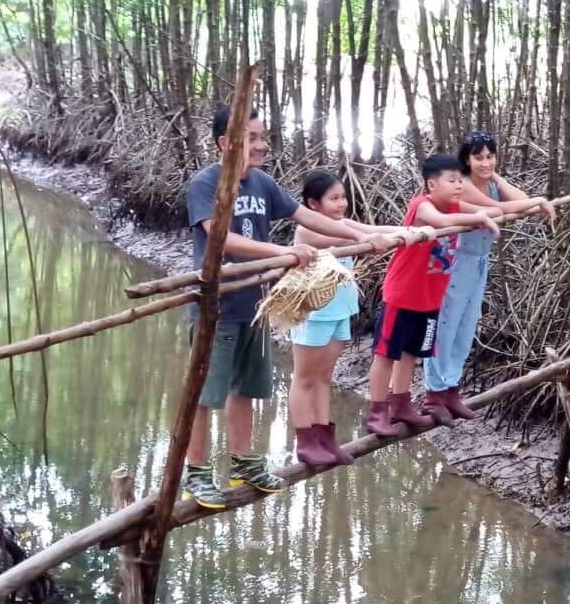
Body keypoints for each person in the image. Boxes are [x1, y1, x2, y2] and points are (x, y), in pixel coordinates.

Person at [182, 107, 395, 510]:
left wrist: (368, 234)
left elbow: (308, 217)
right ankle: (196, 472)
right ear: (225, 144)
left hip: (255, 306)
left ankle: (244, 462)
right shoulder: (205, 183)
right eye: (251, 137)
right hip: (217, 308)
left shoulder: (262, 183)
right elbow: (220, 237)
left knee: (245, 388)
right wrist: (284, 252)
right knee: (205, 394)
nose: (262, 145)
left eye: (264, 136)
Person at [286, 169, 414, 470]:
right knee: (304, 378)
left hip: (340, 310)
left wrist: (409, 230)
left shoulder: (342, 224)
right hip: (313, 312)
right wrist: (374, 236)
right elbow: (355, 233)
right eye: (334, 199)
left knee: (324, 377)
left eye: (343, 197)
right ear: (313, 204)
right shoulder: (307, 230)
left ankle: (325, 436)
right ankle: (305, 441)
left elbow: (367, 227)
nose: (341, 204)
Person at [364, 153, 499, 437]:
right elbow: (437, 219)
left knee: (412, 353)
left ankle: (401, 403)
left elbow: (477, 210)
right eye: (452, 180)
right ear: (431, 185)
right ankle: (377, 410)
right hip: (403, 294)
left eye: (460, 180)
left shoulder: (452, 205)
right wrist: (478, 217)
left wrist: (482, 216)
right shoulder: (422, 205)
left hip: (429, 297)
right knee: (386, 353)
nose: (459, 185)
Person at [424, 130, 555, 419]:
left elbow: (520, 200)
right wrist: (538, 201)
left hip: (479, 262)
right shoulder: (465, 185)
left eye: (490, 156)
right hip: (455, 263)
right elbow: (500, 209)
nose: (485, 162)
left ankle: (451, 389)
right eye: (478, 157)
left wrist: (498, 178)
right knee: (445, 326)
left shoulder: (491, 184)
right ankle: (434, 393)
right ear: (466, 161)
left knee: (467, 325)